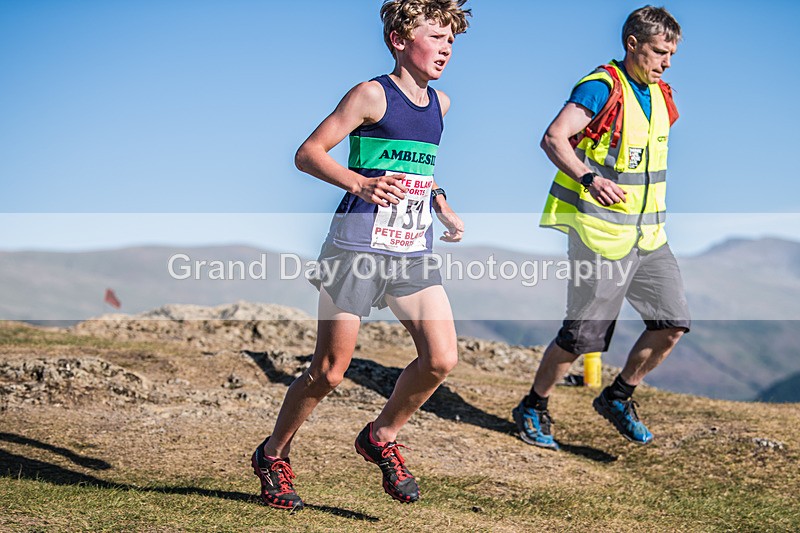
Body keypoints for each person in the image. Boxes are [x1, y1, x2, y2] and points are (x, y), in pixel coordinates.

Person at [251, 0, 470, 511]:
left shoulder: (441, 106)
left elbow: (417, 167)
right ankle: (272, 453)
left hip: (412, 248)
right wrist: (359, 183)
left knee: (441, 358)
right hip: (356, 245)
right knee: (329, 371)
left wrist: (442, 206)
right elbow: (309, 153)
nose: (445, 49)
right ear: (399, 39)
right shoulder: (372, 94)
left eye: (451, 41)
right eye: (435, 37)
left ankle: (381, 437)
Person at [513, 5, 690, 450]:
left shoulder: (664, 95)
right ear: (632, 44)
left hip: (650, 237)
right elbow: (553, 137)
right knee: (581, 338)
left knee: (672, 323)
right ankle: (533, 405)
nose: (665, 61)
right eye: (658, 51)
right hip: (599, 234)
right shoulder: (601, 87)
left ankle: (618, 396)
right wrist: (589, 177)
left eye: (671, 53)